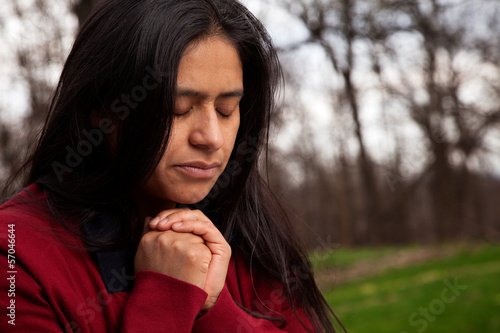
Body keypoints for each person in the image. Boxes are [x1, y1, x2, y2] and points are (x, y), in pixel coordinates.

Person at [0, 0, 343, 332]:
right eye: (178, 108)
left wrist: (214, 308)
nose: (212, 138)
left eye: (226, 110)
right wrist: (166, 300)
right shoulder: (15, 254)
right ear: (101, 109)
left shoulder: (250, 234)